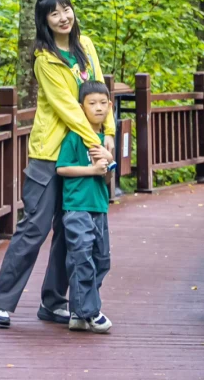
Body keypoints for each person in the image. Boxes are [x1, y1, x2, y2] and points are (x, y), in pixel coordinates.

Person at [0, 0, 115, 328]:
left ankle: (54, 302)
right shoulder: (45, 59)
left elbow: (100, 92)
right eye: (54, 13)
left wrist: (109, 137)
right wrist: (96, 143)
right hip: (50, 152)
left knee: (69, 228)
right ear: (44, 21)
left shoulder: (86, 47)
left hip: (84, 148)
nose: (63, 17)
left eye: (66, 9)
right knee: (35, 227)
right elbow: (69, 109)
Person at [56, 80, 113, 333]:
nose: (98, 108)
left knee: (102, 259)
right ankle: (91, 311)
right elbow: (62, 168)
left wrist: (107, 165)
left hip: (99, 206)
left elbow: (107, 177)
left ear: (110, 106)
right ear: (82, 107)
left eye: (103, 103)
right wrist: (91, 169)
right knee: (81, 257)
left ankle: (78, 312)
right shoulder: (75, 137)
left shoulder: (105, 141)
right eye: (92, 103)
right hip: (77, 205)